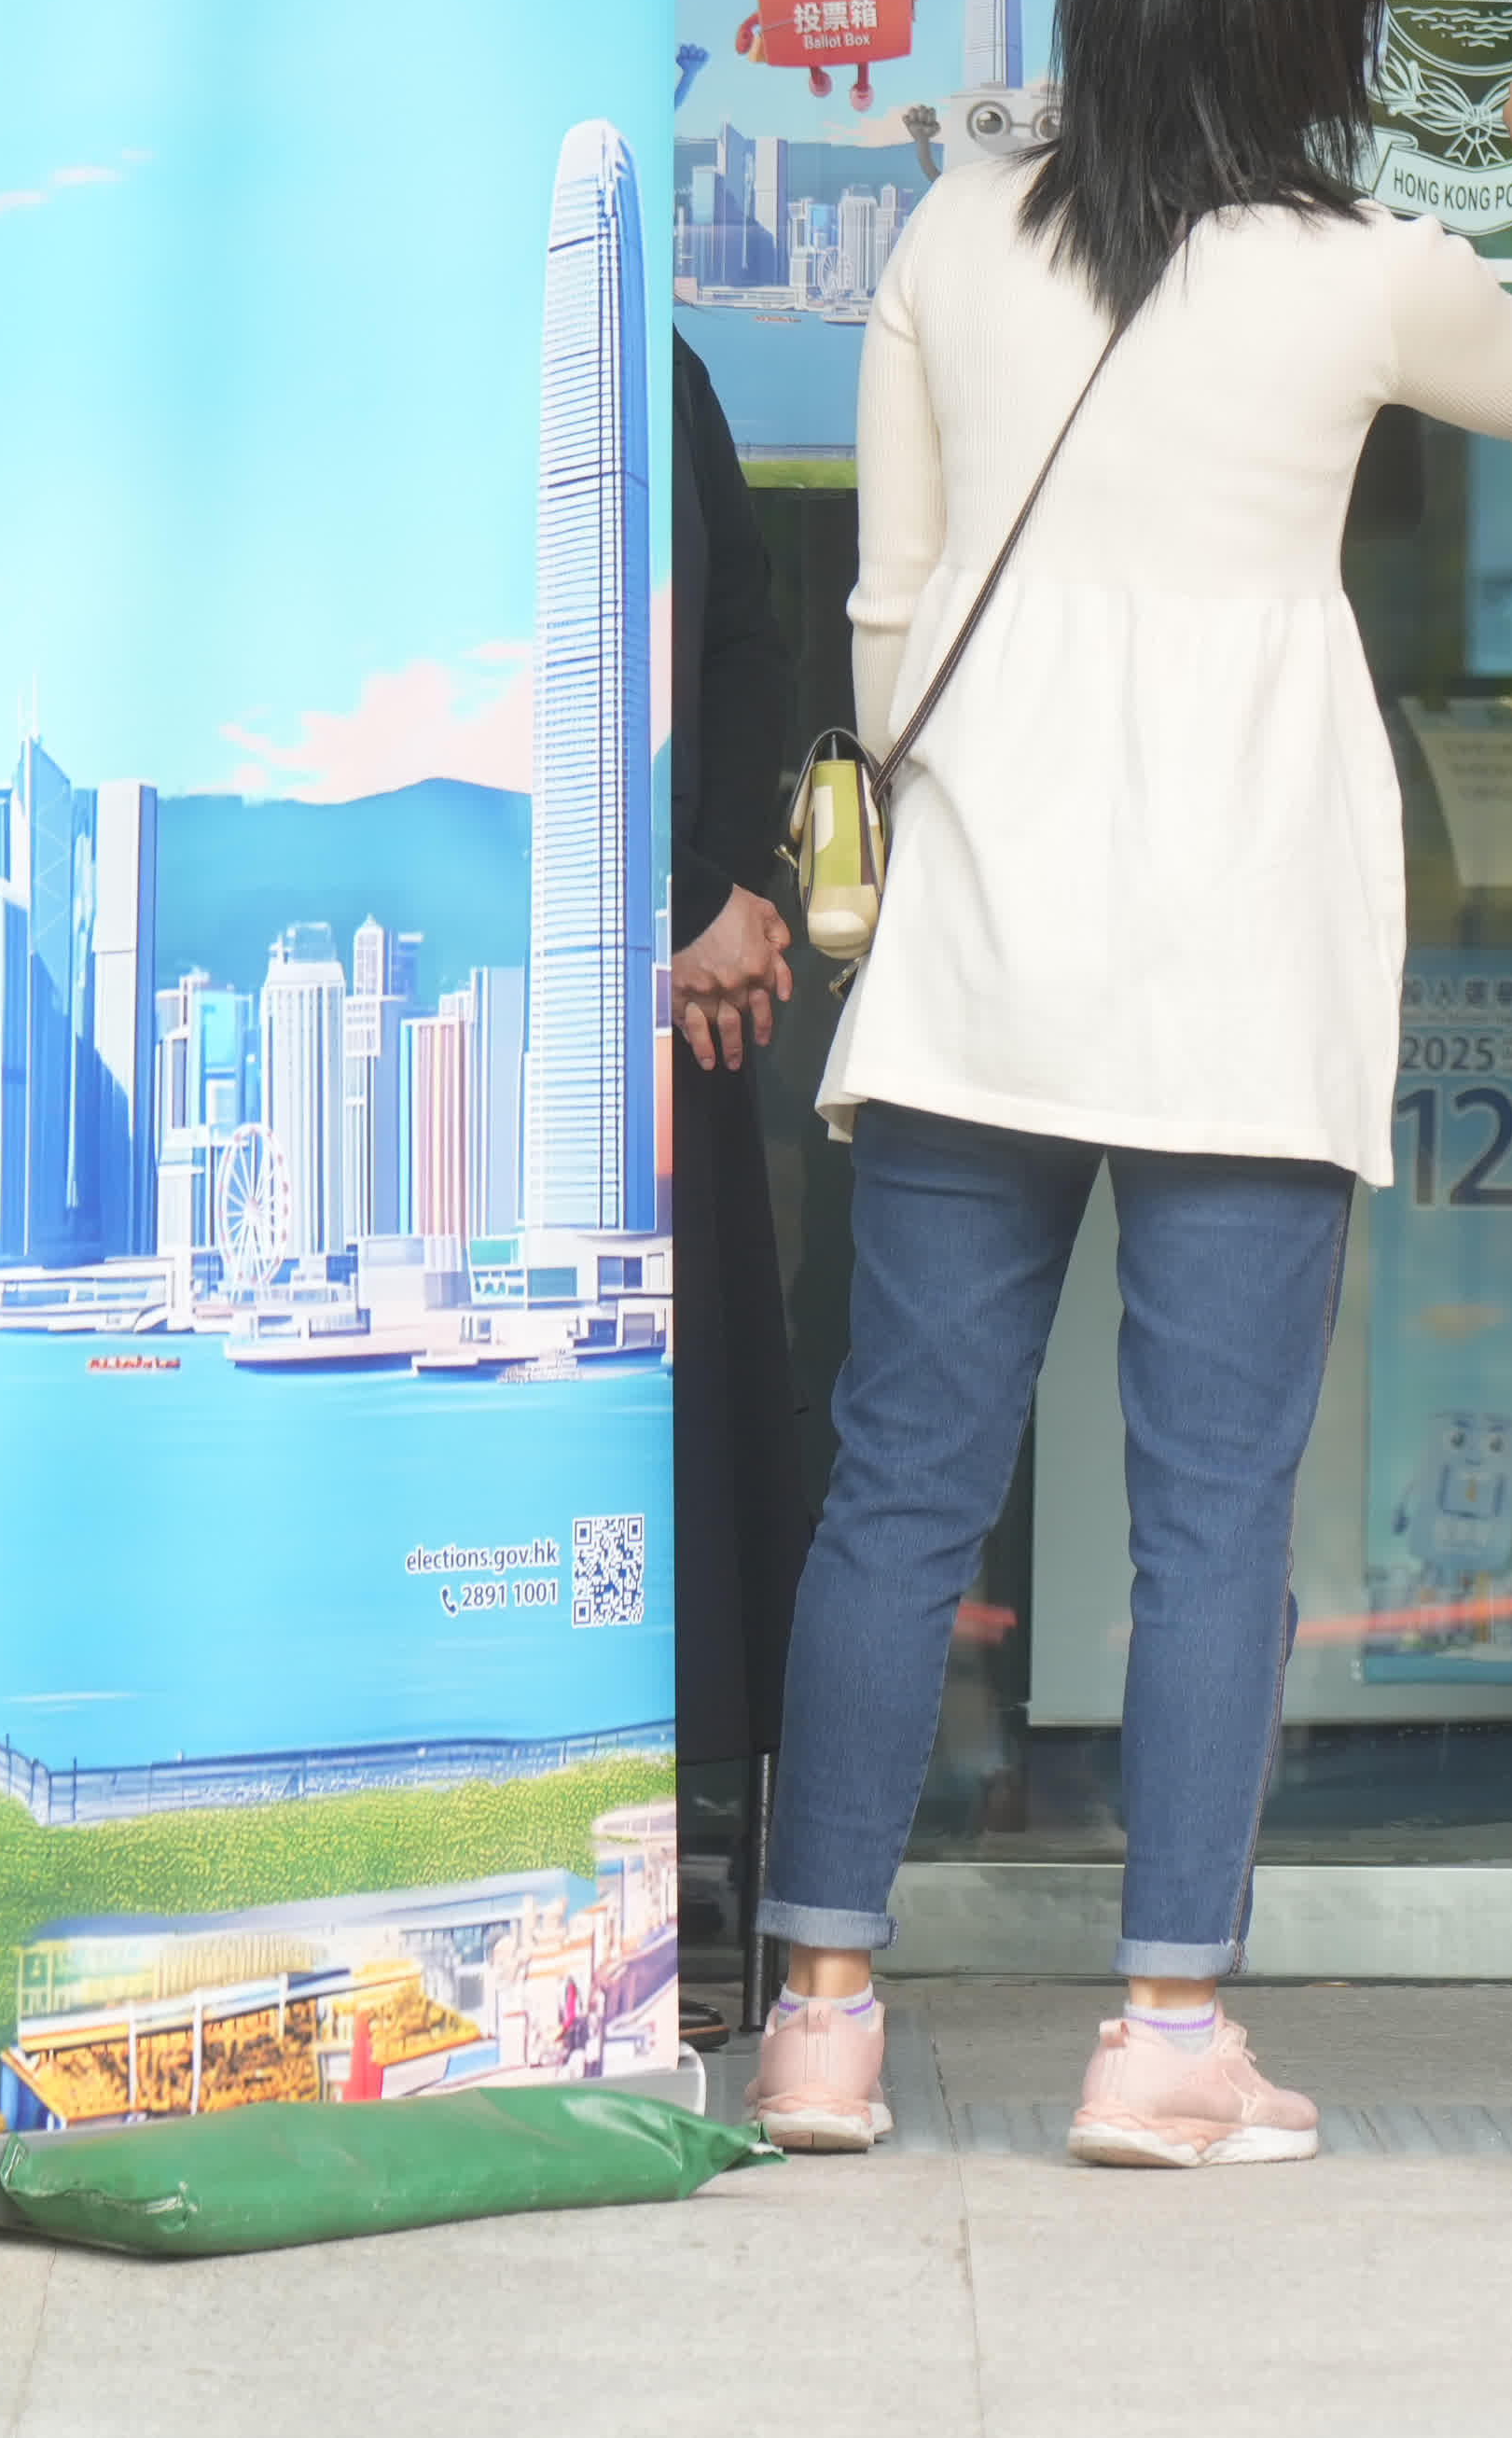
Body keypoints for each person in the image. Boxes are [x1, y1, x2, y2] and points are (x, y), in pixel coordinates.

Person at [747, 0, 1512, 2169]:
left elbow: (886, 611)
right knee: (1211, 1509)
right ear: (1329, 9)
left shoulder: (953, 230)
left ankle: (822, 2009)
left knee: (896, 1491)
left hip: (985, 934)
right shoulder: (1364, 263)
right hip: (1246, 931)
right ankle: (1163, 2030)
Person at [668, 341, 813, 2024]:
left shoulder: (647, 340)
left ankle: (684, 1883)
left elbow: (746, 632)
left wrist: (715, 889)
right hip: (491, 982)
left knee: (699, 1439)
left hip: (653, 1020)